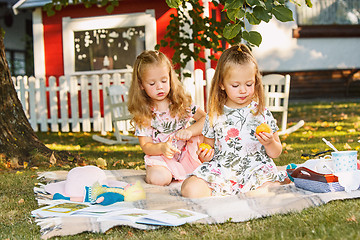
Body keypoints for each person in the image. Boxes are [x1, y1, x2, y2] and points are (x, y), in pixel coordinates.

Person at [181, 44, 289, 198]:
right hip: (223, 170)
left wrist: (269, 142)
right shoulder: (214, 115)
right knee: (190, 189)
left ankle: (257, 191)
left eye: (249, 84)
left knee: (269, 190)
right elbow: (207, 149)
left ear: (256, 82)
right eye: (235, 85)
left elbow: (276, 152)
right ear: (221, 84)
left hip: (255, 170)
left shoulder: (262, 113)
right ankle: (235, 192)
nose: (243, 90)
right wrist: (204, 155)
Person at [127, 50, 206, 186]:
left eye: (164, 81)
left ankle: (185, 171)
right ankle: (170, 173)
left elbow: (206, 119)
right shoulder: (143, 112)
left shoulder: (181, 103)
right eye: (152, 84)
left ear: (170, 78)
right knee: (159, 179)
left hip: (186, 154)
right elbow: (146, 146)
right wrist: (162, 148)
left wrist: (190, 131)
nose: (159, 87)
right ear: (141, 85)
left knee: (204, 139)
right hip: (162, 158)